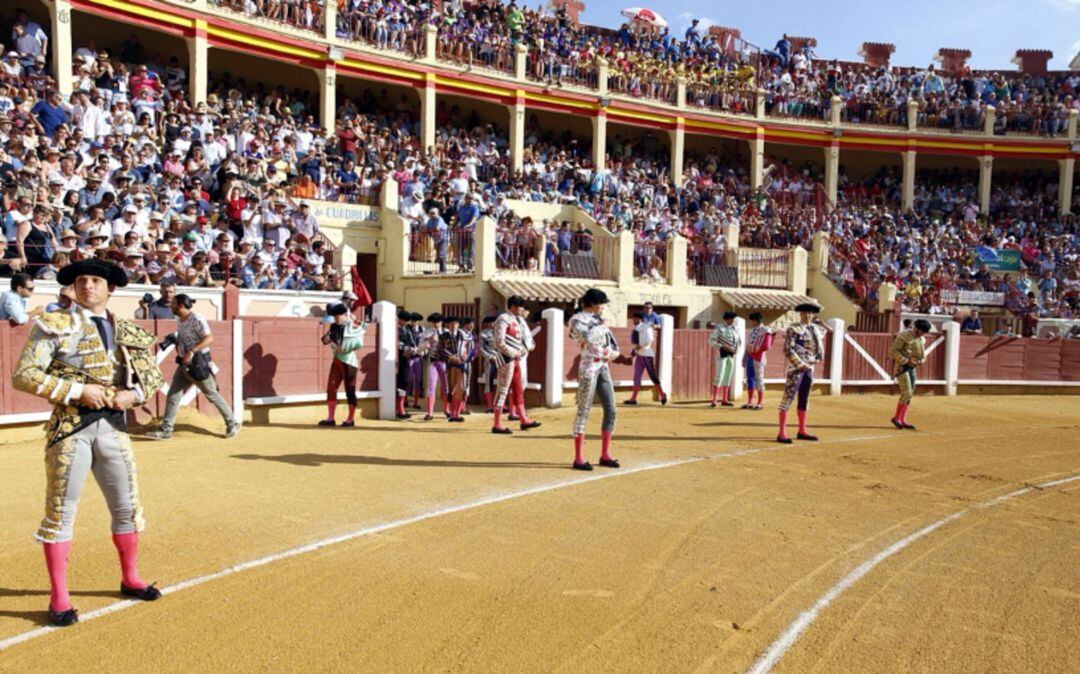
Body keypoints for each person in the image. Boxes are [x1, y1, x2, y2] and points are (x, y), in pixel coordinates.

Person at [12, 259, 166, 627]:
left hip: (114, 428)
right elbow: (24, 375)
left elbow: (151, 377)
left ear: (110, 288)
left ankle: (130, 578)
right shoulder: (55, 324)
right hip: (70, 428)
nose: (87, 286)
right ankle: (59, 596)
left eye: (96, 280)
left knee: (127, 507)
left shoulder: (127, 329)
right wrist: (78, 390)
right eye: (81, 280)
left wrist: (134, 395)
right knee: (61, 514)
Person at [146, 294, 240, 440]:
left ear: (181, 306)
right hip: (185, 365)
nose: (171, 306)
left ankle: (232, 423)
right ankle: (166, 429)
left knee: (212, 395)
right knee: (173, 395)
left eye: (173, 304)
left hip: (198, 364)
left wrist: (191, 351)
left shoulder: (197, 318)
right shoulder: (180, 319)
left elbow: (209, 338)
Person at [568, 288, 620, 471]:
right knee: (584, 410)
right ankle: (578, 458)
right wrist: (601, 326)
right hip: (589, 366)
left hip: (603, 365)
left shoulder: (597, 320)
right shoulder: (577, 320)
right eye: (601, 303)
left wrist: (614, 352)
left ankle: (605, 454)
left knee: (612, 410)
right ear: (592, 303)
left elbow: (611, 342)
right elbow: (586, 337)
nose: (603, 307)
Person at [491, 295, 541, 434]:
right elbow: (498, 342)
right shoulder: (503, 319)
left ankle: (523, 419)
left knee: (518, 390)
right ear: (513, 306)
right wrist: (514, 353)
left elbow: (523, 340)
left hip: (516, 360)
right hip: (506, 360)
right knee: (502, 390)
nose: (522, 309)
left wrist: (524, 349)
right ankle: (497, 423)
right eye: (520, 306)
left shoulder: (518, 321)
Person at [777, 303, 826, 444]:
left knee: (804, 399)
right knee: (788, 398)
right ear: (800, 314)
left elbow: (819, 348)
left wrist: (817, 359)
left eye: (810, 313)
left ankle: (802, 430)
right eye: (805, 313)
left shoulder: (816, 330)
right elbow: (788, 350)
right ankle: (781, 433)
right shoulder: (793, 329)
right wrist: (800, 365)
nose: (808, 315)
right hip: (796, 369)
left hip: (809, 368)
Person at [318, 304, 366, 427]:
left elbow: (359, 343)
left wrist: (344, 347)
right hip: (337, 360)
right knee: (331, 387)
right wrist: (327, 338)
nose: (337, 319)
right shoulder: (334, 326)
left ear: (345, 315)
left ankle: (350, 419)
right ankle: (330, 418)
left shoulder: (353, 325)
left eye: (339, 316)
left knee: (350, 389)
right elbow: (324, 340)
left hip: (349, 361)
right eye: (335, 316)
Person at [890, 318, 931, 430]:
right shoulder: (903, 336)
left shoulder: (921, 339)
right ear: (916, 328)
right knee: (907, 392)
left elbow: (921, 355)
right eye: (921, 332)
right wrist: (906, 360)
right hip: (902, 367)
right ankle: (896, 418)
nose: (922, 335)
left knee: (910, 393)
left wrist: (921, 360)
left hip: (912, 368)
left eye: (924, 333)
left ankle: (902, 420)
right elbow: (893, 351)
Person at [625, 311, 667, 405]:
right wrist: (633, 354)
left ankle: (662, 394)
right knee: (636, 377)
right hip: (639, 355)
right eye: (633, 318)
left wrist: (642, 346)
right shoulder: (636, 328)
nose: (633, 320)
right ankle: (633, 399)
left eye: (635, 318)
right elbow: (635, 344)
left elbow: (650, 340)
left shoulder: (647, 327)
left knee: (652, 376)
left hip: (647, 355)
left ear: (640, 319)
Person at [440, 316, 474, 422]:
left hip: (462, 365)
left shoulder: (465, 335)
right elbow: (441, 350)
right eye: (450, 324)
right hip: (450, 365)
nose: (453, 326)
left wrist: (466, 358)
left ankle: (456, 414)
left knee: (461, 388)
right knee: (451, 389)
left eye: (455, 324)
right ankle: (451, 413)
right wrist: (451, 357)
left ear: (458, 325)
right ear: (447, 325)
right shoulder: (444, 336)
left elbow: (472, 349)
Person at [708, 310, 741, 407]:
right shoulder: (720, 328)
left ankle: (724, 399)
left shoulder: (736, 329)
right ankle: (714, 400)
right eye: (733, 318)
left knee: (728, 376)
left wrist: (736, 349)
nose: (734, 320)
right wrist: (723, 347)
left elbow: (738, 341)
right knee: (719, 376)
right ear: (729, 319)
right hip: (722, 354)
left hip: (731, 355)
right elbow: (710, 341)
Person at [742, 312, 774, 410]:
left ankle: (760, 403)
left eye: (752, 320)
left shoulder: (766, 330)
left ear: (756, 320)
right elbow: (748, 345)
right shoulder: (753, 331)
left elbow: (766, 346)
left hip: (759, 357)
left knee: (759, 380)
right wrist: (744, 357)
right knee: (750, 379)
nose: (751, 322)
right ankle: (750, 402)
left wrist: (754, 349)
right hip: (750, 357)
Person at [422, 312, 448, 421]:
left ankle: (447, 410)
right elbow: (421, 347)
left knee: (446, 386)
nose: (436, 324)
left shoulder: (447, 332)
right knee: (431, 386)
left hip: (444, 362)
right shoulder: (428, 333)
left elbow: (451, 347)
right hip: (433, 362)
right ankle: (430, 412)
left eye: (437, 322)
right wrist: (429, 341)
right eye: (434, 322)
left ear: (441, 322)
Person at [394, 310, 418, 419]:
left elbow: (412, 342)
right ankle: (399, 409)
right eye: (404, 320)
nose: (405, 322)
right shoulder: (395, 329)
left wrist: (414, 349)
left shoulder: (407, 329)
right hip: (396, 359)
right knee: (400, 383)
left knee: (404, 382)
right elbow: (396, 343)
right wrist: (407, 349)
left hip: (406, 359)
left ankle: (401, 408)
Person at [477, 315, 499, 413]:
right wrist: (490, 357)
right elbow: (481, 348)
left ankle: (499, 404)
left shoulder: (501, 332)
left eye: (494, 322)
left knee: (502, 382)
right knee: (488, 382)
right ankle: (490, 406)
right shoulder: (483, 334)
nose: (492, 324)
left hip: (501, 360)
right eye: (490, 322)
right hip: (490, 360)